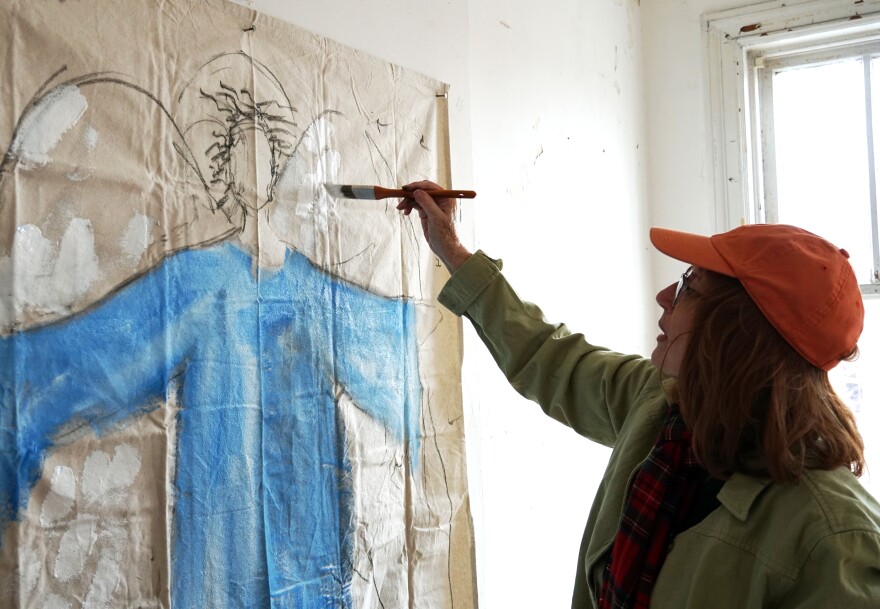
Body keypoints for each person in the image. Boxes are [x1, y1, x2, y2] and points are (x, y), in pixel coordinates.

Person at [398, 180, 880, 608]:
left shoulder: (837, 538)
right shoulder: (665, 406)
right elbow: (551, 358)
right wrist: (453, 253)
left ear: (738, 333)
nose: (665, 295)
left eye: (691, 285)